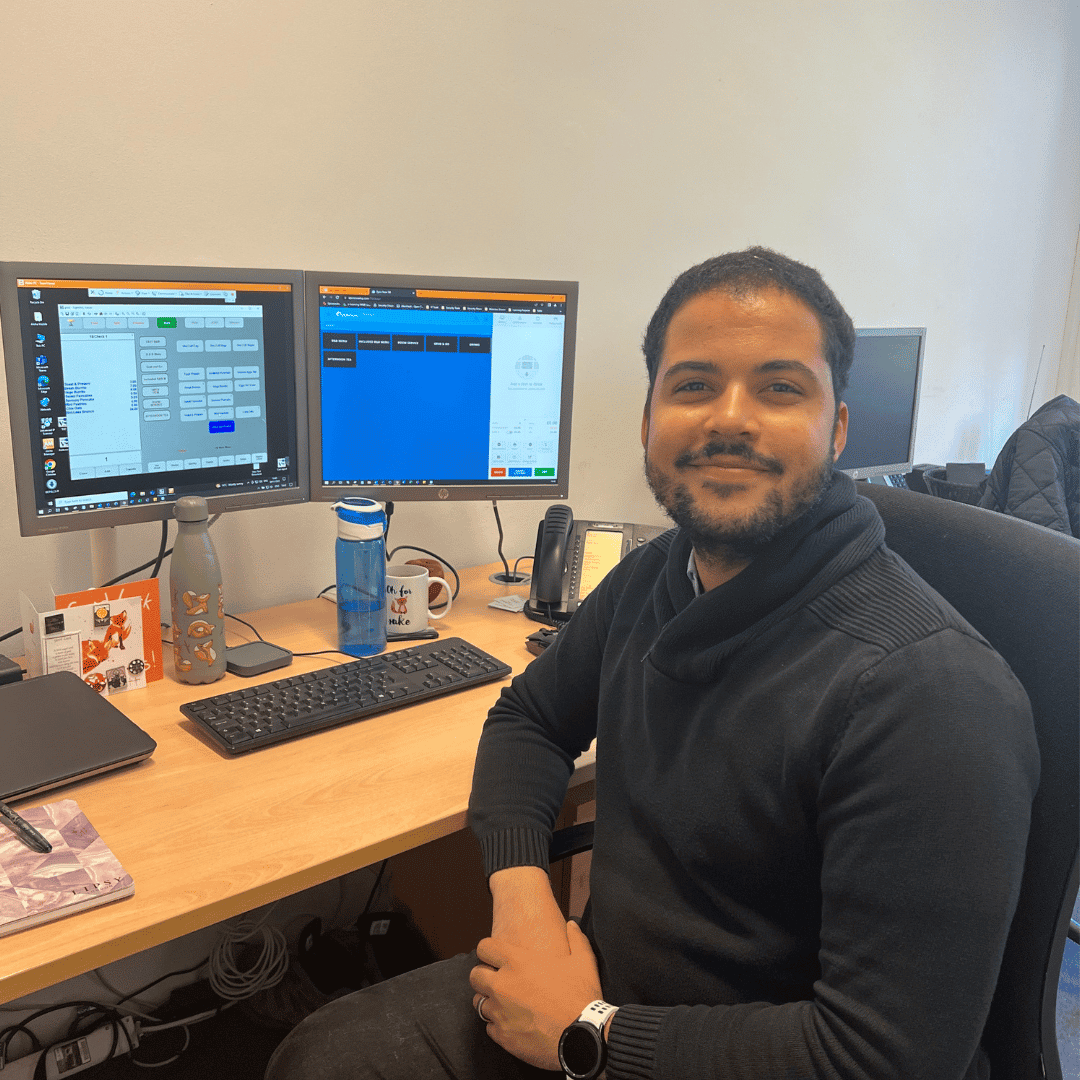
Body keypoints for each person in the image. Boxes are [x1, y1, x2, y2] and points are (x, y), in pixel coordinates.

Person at [265, 248, 1039, 1080]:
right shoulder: (659, 576)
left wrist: (588, 1032)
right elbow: (528, 720)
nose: (729, 419)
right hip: (597, 997)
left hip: (710, 1050)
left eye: (780, 387)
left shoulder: (930, 696)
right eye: (694, 385)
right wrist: (523, 899)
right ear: (647, 422)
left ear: (838, 428)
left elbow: (885, 1060)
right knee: (320, 1056)